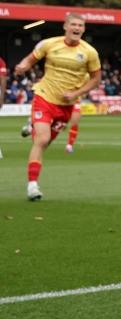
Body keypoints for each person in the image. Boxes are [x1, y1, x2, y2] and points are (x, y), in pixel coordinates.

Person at [12, 13, 101, 200]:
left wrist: (76, 94)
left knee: (44, 143)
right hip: (44, 97)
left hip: (66, 105)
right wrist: (23, 66)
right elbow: (30, 59)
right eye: (74, 24)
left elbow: (96, 79)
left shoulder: (90, 52)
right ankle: (32, 186)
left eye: (81, 25)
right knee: (42, 140)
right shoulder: (49, 44)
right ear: (65, 27)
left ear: (84, 29)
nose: (77, 28)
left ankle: (32, 126)